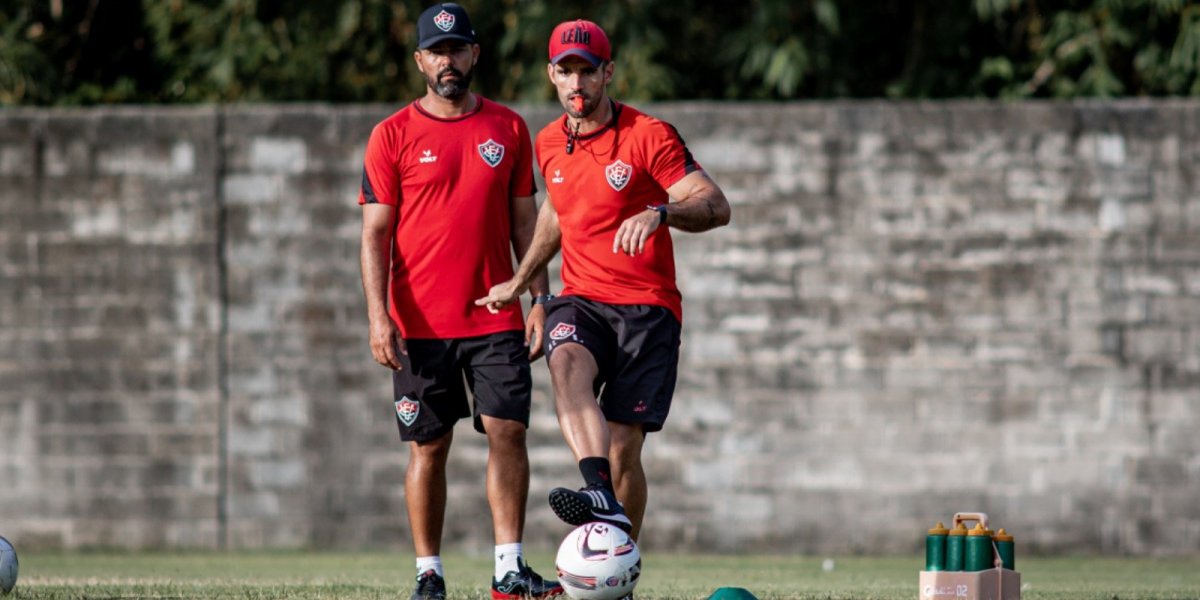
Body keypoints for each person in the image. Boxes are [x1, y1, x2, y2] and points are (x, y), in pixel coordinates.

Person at [475, 19, 731, 543]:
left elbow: (715, 205)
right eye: (565, 72)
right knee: (564, 358)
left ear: (607, 73)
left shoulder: (648, 135)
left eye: (586, 72)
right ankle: (596, 490)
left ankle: (621, 563)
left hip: (649, 309)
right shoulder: (548, 142)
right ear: (551, 75)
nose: (576, 84)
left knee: (624, 448)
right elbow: (556, 216)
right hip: (584, 300)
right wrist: (523, 283)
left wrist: (661, 212)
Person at [357, 4, 560, 600]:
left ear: (475, 55)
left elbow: (530, 227)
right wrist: (378, 315)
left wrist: (540, 300)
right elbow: (374, 234)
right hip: (419, 323)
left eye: (458, 49)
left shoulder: (508, 128)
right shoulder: (391, 134)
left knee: (508, 432)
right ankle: (429, 574)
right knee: (429, 445)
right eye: (437, 52)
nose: (449, 61)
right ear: (420, 60)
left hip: (496, 313)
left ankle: (508, 568)